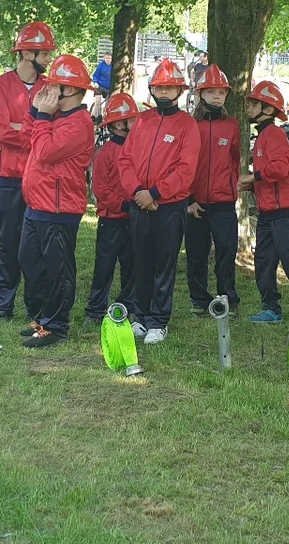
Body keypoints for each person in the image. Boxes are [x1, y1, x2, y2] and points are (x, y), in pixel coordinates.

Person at [0, 21, 55, 326]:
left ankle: (37, 307)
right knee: (8, 241)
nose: (48, 58)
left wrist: (23, 128)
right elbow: (1, 131)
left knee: (36, 245)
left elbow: (50, 130)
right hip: (9, 177)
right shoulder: (0, 85)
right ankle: (1, 303)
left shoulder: (50, 87)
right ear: (25, 52)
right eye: (44, 52)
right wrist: (34, 131)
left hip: (38, 178)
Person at [117, 58, 201, 344]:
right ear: (152, 90)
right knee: (140, 262)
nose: (164, 93)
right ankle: (139, 317)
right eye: (159, 88)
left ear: (179, 91)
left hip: (169, 207)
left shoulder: (188, 125)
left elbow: (186, 170)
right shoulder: (142, 120)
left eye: (170, 88)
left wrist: (155, 194)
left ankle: (158, 320)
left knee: (163, 265)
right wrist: (138, 191)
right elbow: (125, 159)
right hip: (139, 204)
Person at [19, 55, 96, 348]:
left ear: (75, 91)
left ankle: (57, 325)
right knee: (31, 264)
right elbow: (30, 137)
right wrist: (35, 110)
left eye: (58, 86)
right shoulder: (53, 117)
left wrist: (41, 117)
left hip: (59, 209)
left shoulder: (79, 123)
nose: (51, 90)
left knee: (57, 270)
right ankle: (40, 319)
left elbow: (46, 152)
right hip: (37, 206)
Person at [239, 80, 289, 324]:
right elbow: (271, 172)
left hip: (285, 209)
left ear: (268, 109)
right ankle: (271, 308)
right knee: (264, 260)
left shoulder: (273, 133)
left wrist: (253, 177)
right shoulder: (265, 134)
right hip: (268, 209)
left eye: (254, 103)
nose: (249, 107)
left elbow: (281, 169)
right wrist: (253, 184)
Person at [185, 64, 241, 317]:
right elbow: (183, 165)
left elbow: (234, 159)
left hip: (223, 201)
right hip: (195, 202)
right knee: (196, 253)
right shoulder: (190, 125)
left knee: (227, 251)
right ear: (200, 94)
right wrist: (189, 199)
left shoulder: (232, 126)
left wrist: (231, 189)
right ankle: (198, 298)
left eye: (221, 92)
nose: (217, 96)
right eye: (211, 92)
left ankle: (227, 298)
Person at [83, 92, 139, 326]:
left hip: (134, 219)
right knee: (104, 267)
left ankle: (128, 307)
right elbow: (101, 189)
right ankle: (95, 311)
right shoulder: (105, 153)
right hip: (111, 220)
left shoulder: (138, 151)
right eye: (131, 120)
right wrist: (125, 203)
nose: (136, 125)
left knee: (132, 267)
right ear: (118, 124)